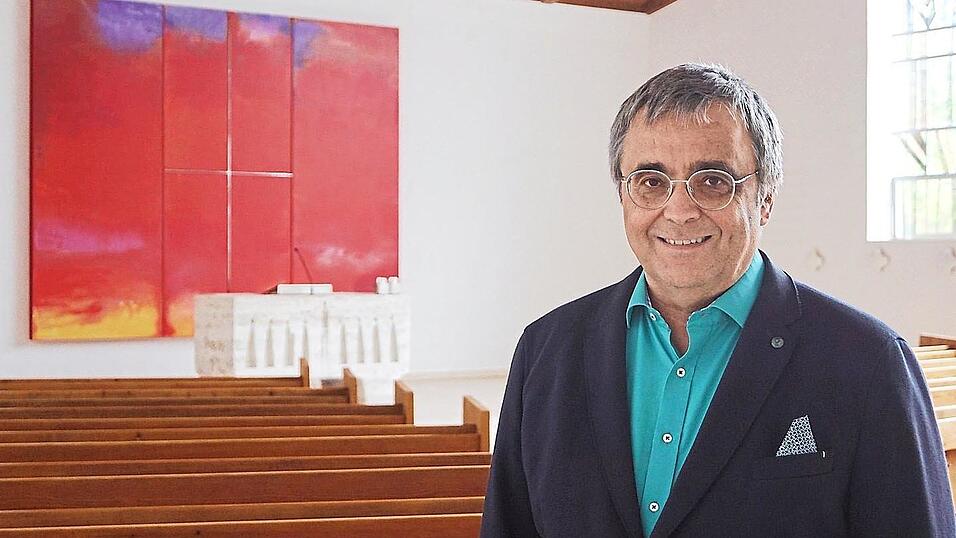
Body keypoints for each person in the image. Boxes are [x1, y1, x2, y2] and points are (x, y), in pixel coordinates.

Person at [480, 63, 955, 537]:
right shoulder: (545, 350)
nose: (680, 210)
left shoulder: (868, 362)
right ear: (622, 196)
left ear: (765, 196)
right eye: (651, 181)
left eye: (712, 180)